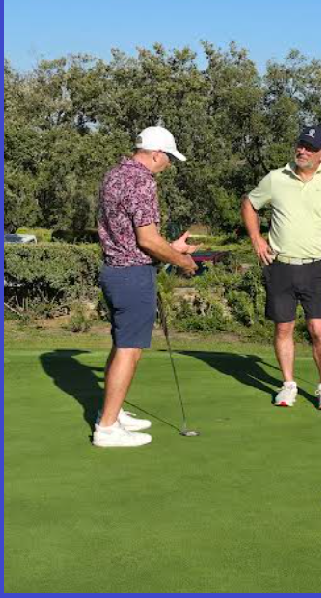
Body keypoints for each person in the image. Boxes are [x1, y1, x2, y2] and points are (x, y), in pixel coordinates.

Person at [91, 126, 200, 448]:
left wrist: (172, 247)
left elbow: (131, 235)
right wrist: (182, 261)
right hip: (132, 276)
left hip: (114, 270)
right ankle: (107, 428)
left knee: (120, 344)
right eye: (168, 158)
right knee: (130, 350)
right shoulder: (141, 181)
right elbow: (147, 240)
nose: (168, 164)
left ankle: (111, 413)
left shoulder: (115, 174)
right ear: (156, 154)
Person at [241, 127, 321, 410]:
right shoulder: (276, 178)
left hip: (316, 266)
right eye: (300, 145)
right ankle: (288, 385)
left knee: (319, 328)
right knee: (284, 328)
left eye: (309, 147)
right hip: (280, 265)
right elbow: (249, 203)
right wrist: (257, 239)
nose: (302, 151)